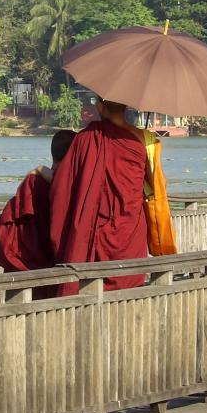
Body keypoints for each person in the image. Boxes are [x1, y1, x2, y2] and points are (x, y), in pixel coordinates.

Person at [49, 99, 150, 295]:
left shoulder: (86, 139)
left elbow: (63, 185)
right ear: (126, 106)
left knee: (92, 289)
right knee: (129, 291)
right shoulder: (140, 142)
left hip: (96, 229)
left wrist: (44, 174)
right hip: (130, 229)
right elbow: (152, 186)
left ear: (101, 106)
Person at [0, 130, 76, 296]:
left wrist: (41, 170)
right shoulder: (43, 183)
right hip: (53, 259)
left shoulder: (34, 181)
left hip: (26, 259)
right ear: (73, 155)